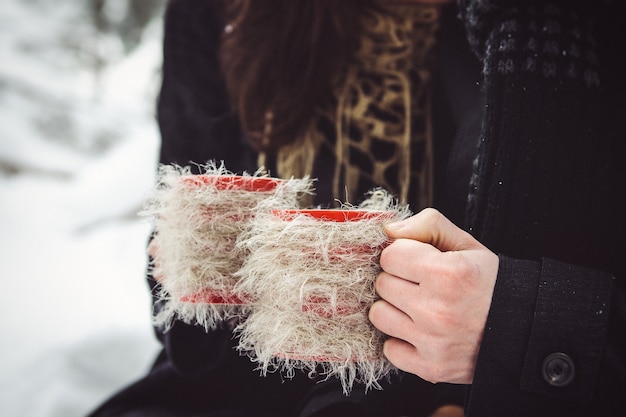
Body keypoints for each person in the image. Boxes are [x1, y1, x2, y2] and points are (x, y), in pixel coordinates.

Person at [88, 0, 626, 416]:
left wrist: (518, 328)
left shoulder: (560, 29)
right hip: (239, 386)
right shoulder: (216, 14)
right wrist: (187, 269)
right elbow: (182, 244)